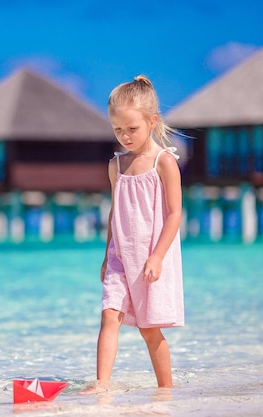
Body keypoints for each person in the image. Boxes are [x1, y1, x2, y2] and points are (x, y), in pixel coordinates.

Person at [83, 75, 185, 393]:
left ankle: (165, 389)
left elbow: (174, 215)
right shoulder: (117, 165)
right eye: (118, 130)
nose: (125, 136)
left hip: (151, 260)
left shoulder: (164, 162)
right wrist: (106, 256)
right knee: (109, 316)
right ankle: (102, 384)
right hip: (120, 257)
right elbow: (115, 213)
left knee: (149, 330)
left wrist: (157, 256)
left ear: (152, 122)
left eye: (132, 129)